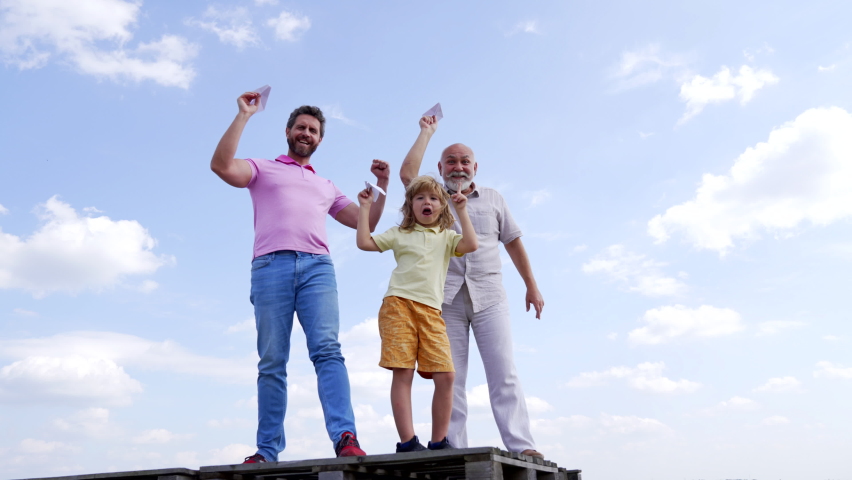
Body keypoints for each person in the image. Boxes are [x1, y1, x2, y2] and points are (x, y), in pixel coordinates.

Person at [211, 91, 390, 462]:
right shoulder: (262, 168)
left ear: (320, 139)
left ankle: (345, 437)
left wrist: (381, 187)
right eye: (301, 127)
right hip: (269, 267)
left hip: (317, 269)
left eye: (313, 129)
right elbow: (221, 165)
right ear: (288, 131)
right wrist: (244, 115)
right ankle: (266, 450)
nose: (307, 133)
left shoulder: (326, 186)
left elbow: (366, 223)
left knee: (328, 351)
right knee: (272, 360)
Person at [399, 115, 546, 459]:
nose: (458, 166)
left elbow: (513, 242)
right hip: (444, 298)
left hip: (490, 297)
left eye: (465, 161)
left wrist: (532, 286)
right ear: (440, 166)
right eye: (451, 160)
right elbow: (407, 174)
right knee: (450, 377)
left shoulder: (493, 199)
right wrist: (426, 132)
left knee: (504, 372)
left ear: (475, 167)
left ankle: (522, 444)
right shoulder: (431, 197)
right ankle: (451, 446)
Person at [355, 175, 478, 452]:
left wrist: (462, 210)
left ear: (441, 207)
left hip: (432, 311)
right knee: (403, 371)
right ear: (410, 206)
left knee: (446, 375)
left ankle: (438, 441)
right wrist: (364, 208)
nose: (427, 202)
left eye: (434, 198)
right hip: (398, 305)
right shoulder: (399, 233)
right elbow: (364, 242)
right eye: (420, 197)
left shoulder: (447, 237)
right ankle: (408, 441)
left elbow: (471, 245)